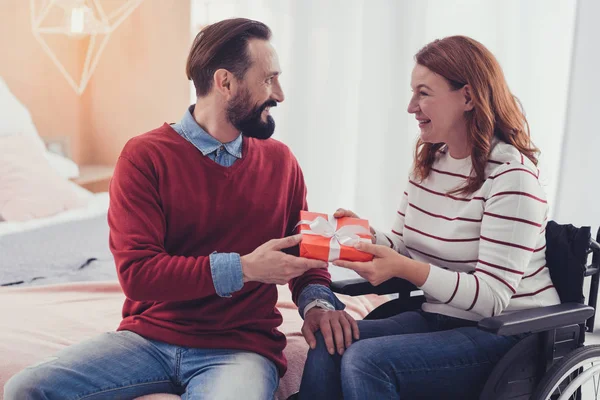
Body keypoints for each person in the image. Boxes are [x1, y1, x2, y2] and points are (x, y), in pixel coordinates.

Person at [4, 18, 356, 400]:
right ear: (225, 83)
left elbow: (303, 253)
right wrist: (244, 268)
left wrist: (317, 303)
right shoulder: (144, 157)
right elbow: (138, 273)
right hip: (148, 341)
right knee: (25, 388)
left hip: (239, 348)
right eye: (268, 79)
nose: (280, 94)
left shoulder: (281, 161)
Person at [299, 35, 561, 400]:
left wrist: (401, 268)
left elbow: (492, 297)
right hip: (442, 319)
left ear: (467, 97)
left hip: (507, 334)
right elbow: (407, 247)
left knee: (367, 360)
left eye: (423, 93)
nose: (411, 106)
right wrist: (366, 238)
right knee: (330, 342)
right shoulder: (430, 163)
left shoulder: (511, 178)